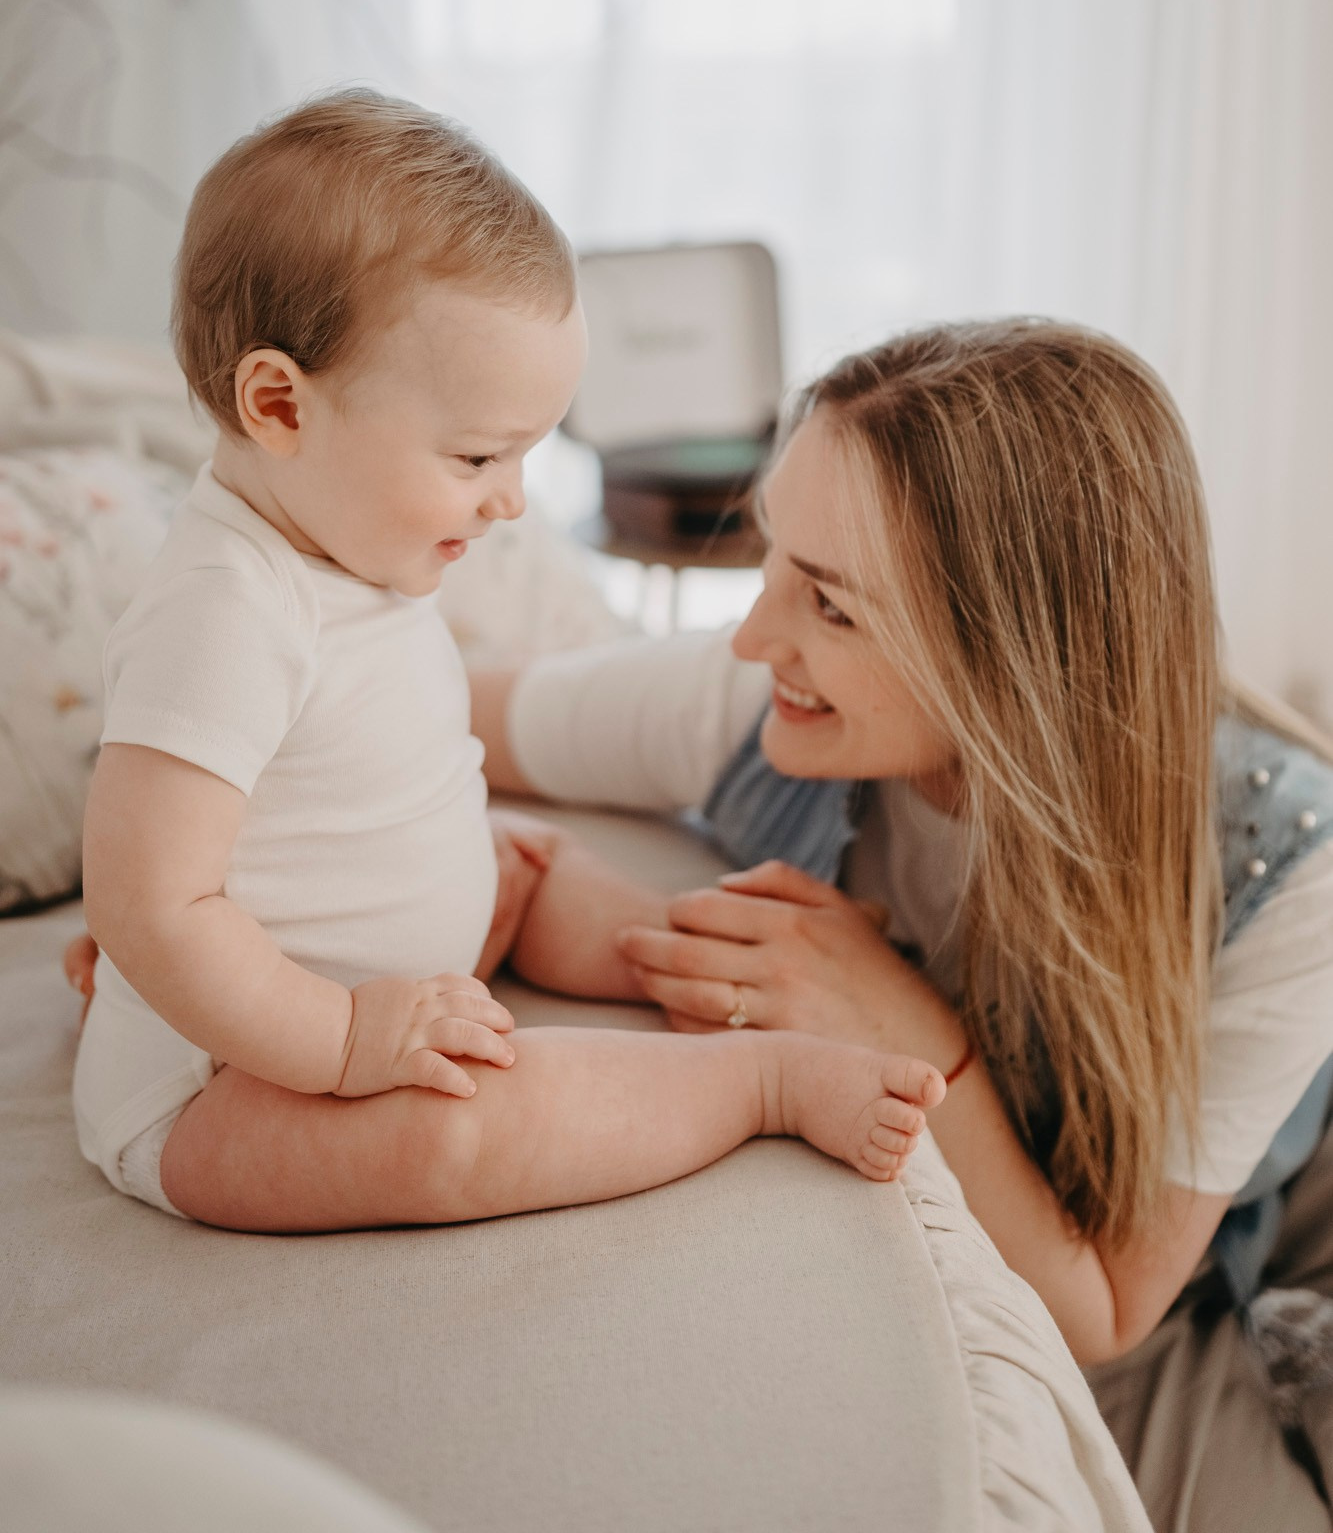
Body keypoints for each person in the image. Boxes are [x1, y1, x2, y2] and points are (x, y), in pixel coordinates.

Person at [468, 319, 1333, 1533]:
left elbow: (1106, 1309)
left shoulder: (1287, 872)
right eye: (775, 554)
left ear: (1016, 658)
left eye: (828, 603)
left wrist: (914, 1032)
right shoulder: (753, 697)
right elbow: (436, 718)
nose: (753, 635)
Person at [65, 90, 945, 1236]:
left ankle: (724, 963)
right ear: (279, 403)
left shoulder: (338, 538)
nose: (511, 498)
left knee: (530, 861)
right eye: (478, 453)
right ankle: (762, 1079)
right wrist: (345, 1042)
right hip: (225, 1079)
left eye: (524, 452)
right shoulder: (224, 612)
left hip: (405, 962)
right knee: (450, 1133)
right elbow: (147, 903)